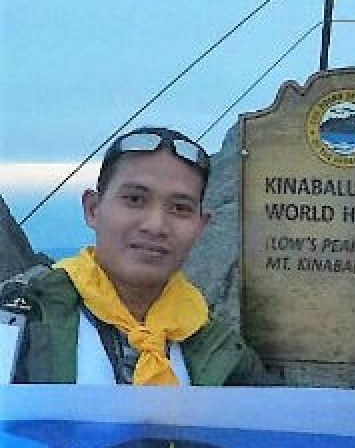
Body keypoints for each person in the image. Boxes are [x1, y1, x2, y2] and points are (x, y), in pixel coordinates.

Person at [2, 126, 265, 385]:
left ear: (200, 226)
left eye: (180, 208)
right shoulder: (23, 318)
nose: (156, 225)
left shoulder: (223, 351)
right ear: (93, 209)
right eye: (135, 200)